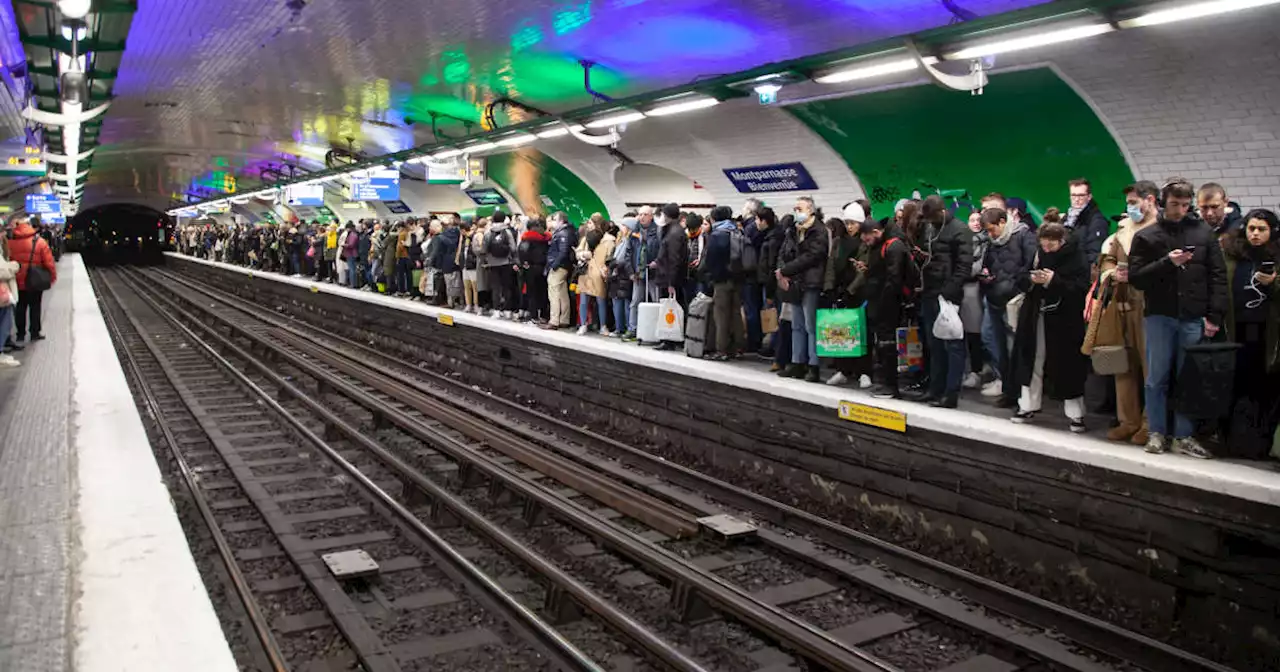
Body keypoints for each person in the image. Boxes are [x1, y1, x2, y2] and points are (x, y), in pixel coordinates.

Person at [1128, 179, 1228, 459]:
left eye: (1186, 205)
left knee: (1189, 379)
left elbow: (1217, 276)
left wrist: (1215, 315)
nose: (1181, 210)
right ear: (1162, 203)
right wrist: (1166, 263)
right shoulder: (1147, 236)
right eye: (1175, 204)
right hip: (1160, 315)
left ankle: (1183, 436)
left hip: (1194, 316)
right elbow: (1136, 278)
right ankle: (1157, 432)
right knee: (1156, 378)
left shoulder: (1204, 233)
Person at [1090, 181, 1159, 445]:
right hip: (1121, 304)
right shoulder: (1121, 231)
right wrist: (1110, 273)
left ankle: (1150, 422)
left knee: (1151, 368)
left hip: (1148, 306)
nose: (1129, 208)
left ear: (1150, 200)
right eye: (1128, 203)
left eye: (1133, 202)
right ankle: (1127, 420)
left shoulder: (1161, 231)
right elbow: (1105, 259)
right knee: (1123, 364)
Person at [1009, 218, 1091, 431]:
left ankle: (1076, 414)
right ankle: (1027, 405)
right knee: (1031, 359)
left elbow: (1081, 288)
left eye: (1051, 245)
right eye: (1044, 245)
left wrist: (1053, 281)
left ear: (1061, 241)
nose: (1046, 249)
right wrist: (1031, 279)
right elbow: (1019, 277)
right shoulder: (1037, 254)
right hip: (1035, 314)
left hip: (1065, 319)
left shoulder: (1076, 257)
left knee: (1067, 365)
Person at [1221, 209, 1280, 458]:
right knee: (1234, 386)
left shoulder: (1276, 258)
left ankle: (1259, 444)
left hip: (1267, 334)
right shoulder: (1232, 254)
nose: (1255, 234)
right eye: (1252, 228)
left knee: (1264, 388)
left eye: (1262, 229)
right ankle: (1231, 441)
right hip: (1237, 330)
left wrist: (1274, 283)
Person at [908, 195, 972, 407]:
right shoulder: (931, 229)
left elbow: (964, 266)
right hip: (929, 291)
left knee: (952, 344)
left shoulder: (960, 230)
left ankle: (951, 392)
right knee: (934, 343)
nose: (928, 222)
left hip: (948, 296)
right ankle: (935, 389)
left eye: (930, 218)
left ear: (940, 212)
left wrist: (949, 290)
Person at [979, 207, 1037, 407]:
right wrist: (986, 276)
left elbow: (1030, 267)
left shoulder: (1023, 236)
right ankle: (1007, 388)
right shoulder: (992, 243)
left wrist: (1015, 285)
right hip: (995, 298)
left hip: (1014, 301)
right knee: (999, 346)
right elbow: (988, 265)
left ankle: (1018, 393)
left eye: (992, 229)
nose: (990, 234)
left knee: (1014, 349)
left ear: (1003, 222)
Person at [776, 196, 829, 382]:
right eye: (795, 208)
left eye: (800, 208)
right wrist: (782, 271)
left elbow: (812, 256)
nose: (796, 211)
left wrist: (785, 270)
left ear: (811, 210)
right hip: (794, 282)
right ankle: (797, 362)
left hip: (811, 282)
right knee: (796, 325)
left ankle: (813, 365)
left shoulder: (819, 231)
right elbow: (783, 252)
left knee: (810, 325)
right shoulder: (792, 230)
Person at [859, 214, 910, 398]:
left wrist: (884, 303)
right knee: (883, 345)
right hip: (879, 301)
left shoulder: (893, 246)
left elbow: (893, 278)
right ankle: (886, 382)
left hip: (888, 304)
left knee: (888, 344)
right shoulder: (880, 245)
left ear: (876, 232)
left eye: (868, 238)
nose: (866, 242)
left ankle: (891, 386)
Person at [825, 203, 872, 387]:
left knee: (862, 332)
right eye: (847, 223)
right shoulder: (838, 242)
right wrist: (829, 286)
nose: (850, 226)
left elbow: (864, 270)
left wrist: (850, 290)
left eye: (853, 223)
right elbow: (830, 264)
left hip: (859, 293)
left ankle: (864, 371)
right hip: (840, 289)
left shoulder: (865, 242)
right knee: (841, 331)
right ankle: (843, 369)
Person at [703, 205, 746, 359]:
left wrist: (711, 277)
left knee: (720, 315)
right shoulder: (737, 231)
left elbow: (711, 260)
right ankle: (739, 348)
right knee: (735, 313)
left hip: (721, 280)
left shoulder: (717, 234)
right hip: (738, 278)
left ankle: (721, 350)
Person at [8, 216, 56, 343]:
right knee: (35, 307)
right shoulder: (39, 242)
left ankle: (20, 335)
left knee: (20, 308)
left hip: (17, 280)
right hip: (34, 280)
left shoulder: (10, 242)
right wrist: (52, 277)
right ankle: (34, 332)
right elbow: (49, 262)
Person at [653, 203, 689, 349]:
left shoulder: (674, 233)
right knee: (674, 307)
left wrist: (671, 283)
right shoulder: (674, 230)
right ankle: (673, 338)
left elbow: (674, 259)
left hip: (670, 277)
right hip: (669, 276)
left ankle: (671, 339)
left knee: (672, 307)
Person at [576, 218, 616, 336]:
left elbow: (610, 257)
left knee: (600, 300)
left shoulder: (608, 240)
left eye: (591, 222)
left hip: (598, 273)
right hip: (586, 272)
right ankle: (584, 324)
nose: (588, 225)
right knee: (584, 300)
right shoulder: (586, 238)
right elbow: (578, 252)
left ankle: (602, 325)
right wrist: (583, 255)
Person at [755, 207, 785, 361]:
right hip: (770, 283)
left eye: (757, 220)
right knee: (772, 315)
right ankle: (772, 345)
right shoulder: (771, 236)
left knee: (771, 314)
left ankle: (772, 346)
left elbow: (771, 266)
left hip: (771, 284)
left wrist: (770, 290)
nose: (755, 223)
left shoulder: (773, 240)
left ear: (764, 221)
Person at [628, 205, 662, 333]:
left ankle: (657, 330)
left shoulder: (658, 232)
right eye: (640, 214)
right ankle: (633, 329)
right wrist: (631, 272)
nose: (641, 217)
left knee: (656, 301)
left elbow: (662, 251)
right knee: (635, 302)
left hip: (653, 273)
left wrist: (657, 262)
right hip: (638, 273)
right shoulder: (634, 233)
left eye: (645, 214)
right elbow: (628, 253)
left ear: (651, 216)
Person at [1063, 178, 1111, 267]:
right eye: (1073, 195)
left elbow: (1095, 254)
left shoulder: (1097, 221)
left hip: (1080, 274)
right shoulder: (1066, 218)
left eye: (1081, 195)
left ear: (1089, 197)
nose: (1076, 199)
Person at [482, 211, 519, 320]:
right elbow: (513, 248)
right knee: (507, 287)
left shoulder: (488, 232)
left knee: (496, 288)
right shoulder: (507, 232)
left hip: (493, 264)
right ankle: (507, 311)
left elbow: (484, 249)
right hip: (506, 263)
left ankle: (497, 311)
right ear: (504, 219)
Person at [543, 212, 577, 330]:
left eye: (555, 219)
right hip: (564, 266)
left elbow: (563, 252)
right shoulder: (567, 232)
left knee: (553, 292)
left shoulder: (563, 233)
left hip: (559, 266)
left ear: (561, 221)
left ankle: (554, 321)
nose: (553, 222)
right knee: (562, 293)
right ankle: (564, 319)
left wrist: (554, 265)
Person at [609, 217, 638, 338]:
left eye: (624, 226)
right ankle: (619, 327)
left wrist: (614, 264)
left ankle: (626, 327)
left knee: (626, 303)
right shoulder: (623, 241)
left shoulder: (631, 241)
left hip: (625, 275)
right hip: (618, 276)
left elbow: (625, 258)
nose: (622, 228)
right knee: (617, 302)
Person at [518, 218, 551, 323]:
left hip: (531, 268)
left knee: (532, 293)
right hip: (544, 268)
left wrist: (524, 264)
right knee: (543, 292)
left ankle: (534, 315)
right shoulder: (547, 238)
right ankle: (544, 315)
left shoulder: (527, 237)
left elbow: (522, 251)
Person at [0, 234, 18, 365]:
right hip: (2, 295)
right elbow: (3, 271)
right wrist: (14, 266)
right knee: (4, 323)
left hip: (3, 293)